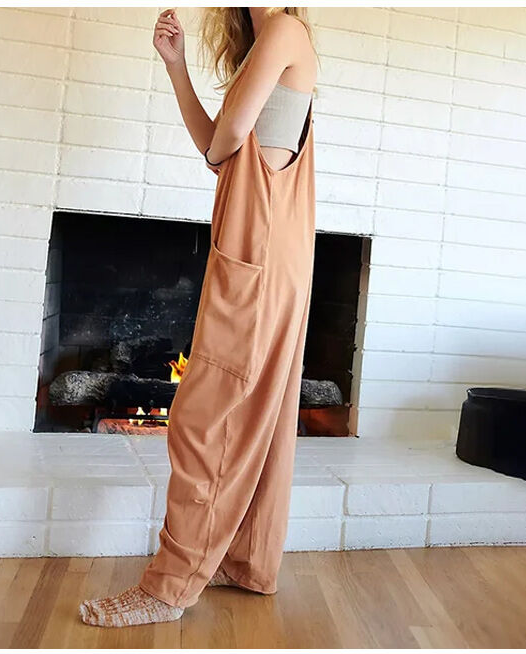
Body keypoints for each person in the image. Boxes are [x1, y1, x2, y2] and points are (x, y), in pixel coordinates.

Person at [79, 6, 318, 628]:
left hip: (259, 250)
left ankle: (169, 588)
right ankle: (245, 561)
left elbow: (226, 137)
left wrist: (223, 135)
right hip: (264, 249)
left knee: (204, 419)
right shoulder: (269, 39)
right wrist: (177, 67)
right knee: (257, 414)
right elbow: (218, 148)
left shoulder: (285, 30)